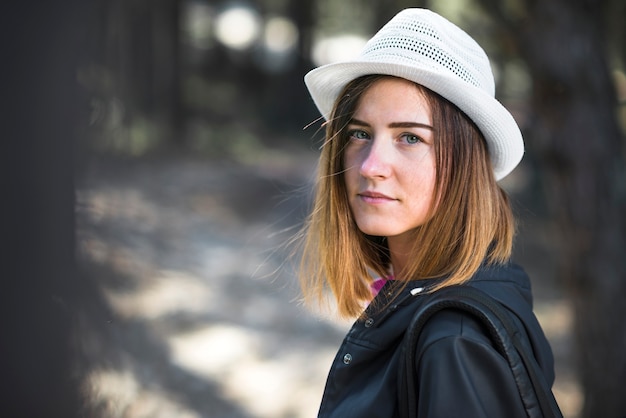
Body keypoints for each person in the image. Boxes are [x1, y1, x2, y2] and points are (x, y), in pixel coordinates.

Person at [298, 8, 559, 417]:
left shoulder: (453, 342)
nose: (369, 166)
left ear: (467, 162)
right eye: (360, 134)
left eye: (409, 137)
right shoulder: (456, 296)